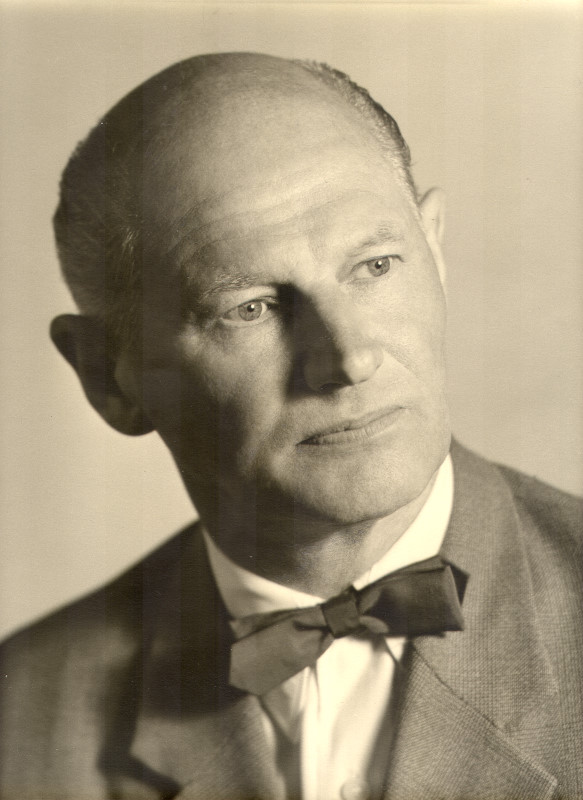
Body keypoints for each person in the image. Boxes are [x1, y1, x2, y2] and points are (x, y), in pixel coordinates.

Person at [0, 52, 581, 800]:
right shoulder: (22, 726)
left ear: (434, 250)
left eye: (375, 266)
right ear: (109, 377)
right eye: (251, 308)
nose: (349, 358)